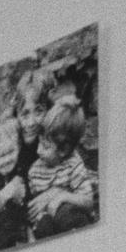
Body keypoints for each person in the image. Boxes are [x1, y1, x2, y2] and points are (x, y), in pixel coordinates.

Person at [24, 98, 99, 240]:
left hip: (72, 221)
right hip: (49, 225)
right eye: (39, 143)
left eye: (46, 147)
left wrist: (63, 197)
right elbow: (34, 208)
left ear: (63, 150)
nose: (38, 151)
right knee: (43, 226)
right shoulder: (34, 171)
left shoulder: (74, 165)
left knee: (66, 213)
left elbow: (88, 202)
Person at [0, 111, 33, 252]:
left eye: (11, 152)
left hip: (21, 229)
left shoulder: (21, 171)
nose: (7, 159)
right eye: (2, 155)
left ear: (19, 148)